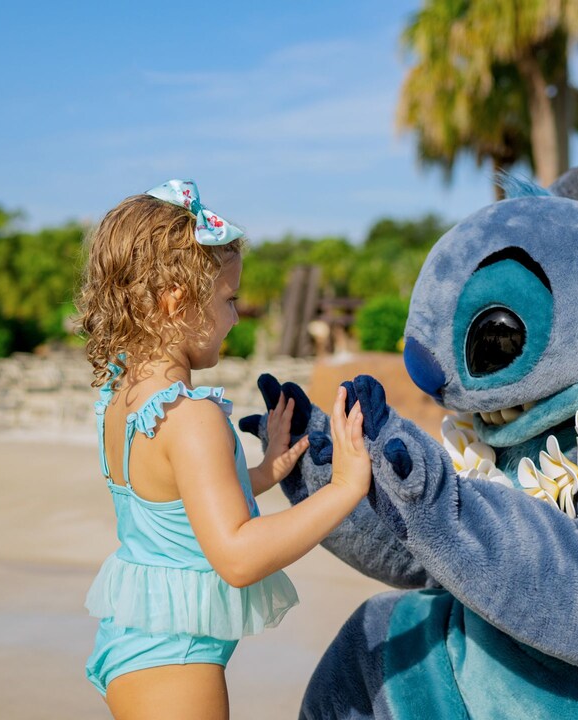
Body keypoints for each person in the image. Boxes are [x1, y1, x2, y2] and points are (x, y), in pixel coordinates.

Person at [75, 179, 371, 719]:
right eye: (228, 300)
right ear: (175, 302)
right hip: (175, 665)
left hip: (136, 645)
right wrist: (345, 487)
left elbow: (179, 502)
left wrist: (264, 472)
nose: (235, 317)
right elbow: (238, 556)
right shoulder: (192, 417)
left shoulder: (123, 397)